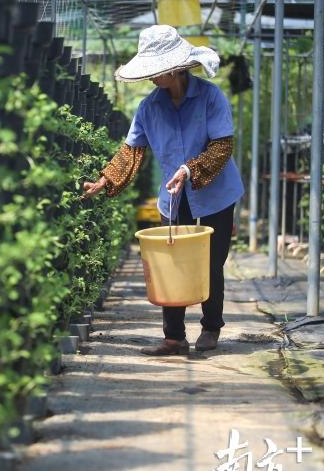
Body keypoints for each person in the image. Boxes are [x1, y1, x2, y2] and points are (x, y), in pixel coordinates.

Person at [83, 25, 244, 356]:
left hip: (215, 191)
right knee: (173, 263)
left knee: (211, 263)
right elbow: (131, 151)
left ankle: (212, 327)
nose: (151, 77)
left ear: (174, 69)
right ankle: (174, 337)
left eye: (156, 70)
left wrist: (189, 169)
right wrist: (105, 180)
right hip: (174, 196)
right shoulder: (148, 108)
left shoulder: (211, 97)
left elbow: (222, 146)